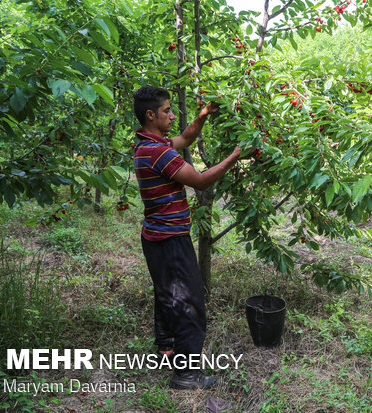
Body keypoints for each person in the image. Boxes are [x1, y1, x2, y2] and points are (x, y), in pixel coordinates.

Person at [132, 86, 239, 390]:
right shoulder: (158, 152)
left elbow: (187, 137)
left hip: (155, 236)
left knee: (168, 295)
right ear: (151, 115)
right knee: (189, 303)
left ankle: (167, 349)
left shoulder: (148, 145)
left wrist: (203, 115)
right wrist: (234, 157)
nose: (172, 114)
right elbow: (201, 180)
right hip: (170, 240)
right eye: (167, 110)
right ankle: (187, 375)